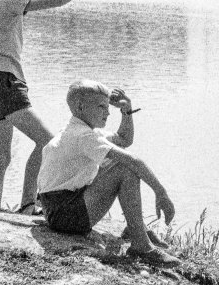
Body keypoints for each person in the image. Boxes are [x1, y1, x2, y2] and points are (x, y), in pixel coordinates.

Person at [0, 0, 110, 213]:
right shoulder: (8, 1)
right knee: (47, 143)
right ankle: (28, 204)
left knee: (0, 156)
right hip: (5, 82)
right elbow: (56, 0)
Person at [36, 80, 180, 266]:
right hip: (64, 216)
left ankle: (136, 228)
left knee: (114, 160)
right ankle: (141, 246)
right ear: (80, 107)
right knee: (124, 167)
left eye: (108, 106)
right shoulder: (83, 136)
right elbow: (133, 160)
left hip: (58, 209)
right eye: (101, 107)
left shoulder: (79, 130)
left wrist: (126, 111)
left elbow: (124, 139)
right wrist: (161, 193)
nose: (108, 112)